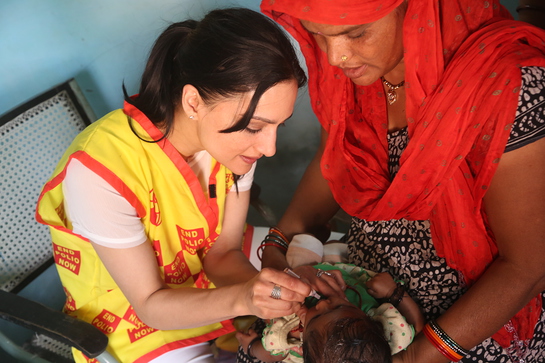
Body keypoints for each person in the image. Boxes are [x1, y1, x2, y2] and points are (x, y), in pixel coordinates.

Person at [254, 0, 545, 362]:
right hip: (357, 298)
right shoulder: (360, 72)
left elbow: (529, 266)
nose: (335, 58)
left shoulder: (507, 84)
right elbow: (338, 159)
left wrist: (416, 356)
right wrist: (277, 246)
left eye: (356, 33)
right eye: (318, 36)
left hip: (470, 331)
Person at [35, 7, 311, 363]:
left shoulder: (230, 143)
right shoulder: (100, 171)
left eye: (279, 126)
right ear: (194, 102)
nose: (269, 148)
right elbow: (150, 304)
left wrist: (276, 299)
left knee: (328, 266)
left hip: (202, 276)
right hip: (135, 320)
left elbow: (223, 253)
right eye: (256, 127)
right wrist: (246, 299)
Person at [236, 260, 425, 363]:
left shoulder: (291, 336)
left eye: (317, 315)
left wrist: (251, 347)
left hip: (301, 273)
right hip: (335, 268)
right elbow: (416, 326)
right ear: (370, 319)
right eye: (340, 306)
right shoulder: (390, 331)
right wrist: (395, 293)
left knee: (299, 250)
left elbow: (270, 353)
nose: (323, 304)